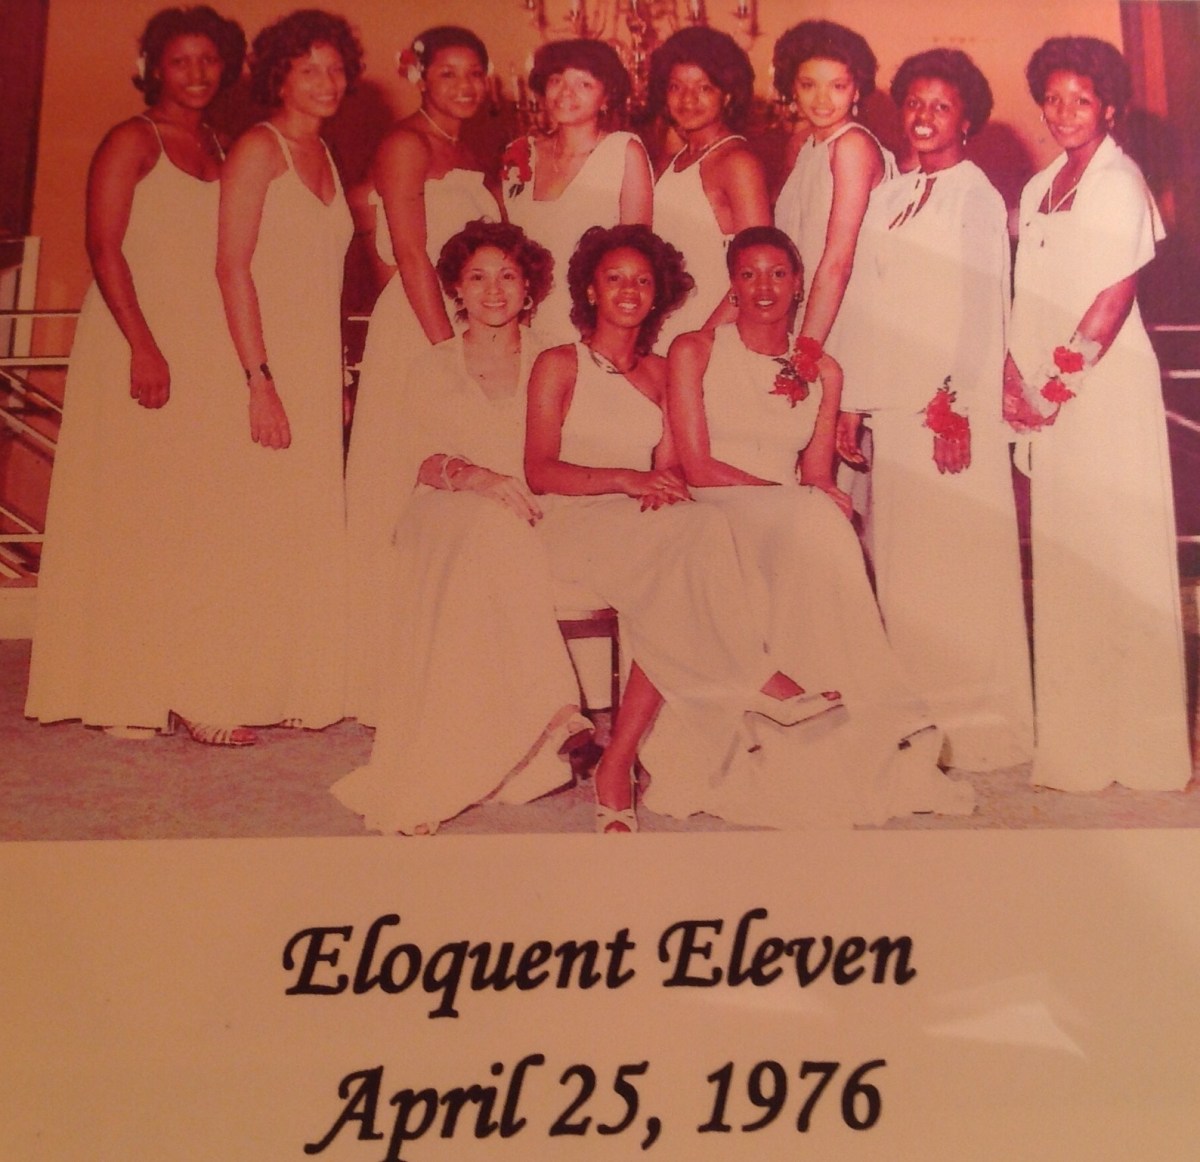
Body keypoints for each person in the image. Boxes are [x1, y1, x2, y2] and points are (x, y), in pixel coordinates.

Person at [525, 224, 862, 833]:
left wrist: (661, 487)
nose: (629, 290)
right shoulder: (558, 363)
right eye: (614, 279)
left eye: (642, 281)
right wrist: (627, 480)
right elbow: (539, 470)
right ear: (591, 291)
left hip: (637, 523)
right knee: (678, 565)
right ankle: (754, 678)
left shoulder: (662, 373)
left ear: (657, 295)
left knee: (696, 534)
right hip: (572, 521)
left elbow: (675, 465)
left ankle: (617, 766)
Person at [659, 225, 976, 826]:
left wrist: (819, 495)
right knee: (814, 518)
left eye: (778, 273)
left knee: (822, 519)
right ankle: (882, 708)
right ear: (732, 284)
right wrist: (804, 499)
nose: (764, 287)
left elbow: (814, 473)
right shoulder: (694, 350)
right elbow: (695, 465)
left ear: (799, 284)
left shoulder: (823, 370)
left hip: (790, 517)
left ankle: (850, 722)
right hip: (713, 508)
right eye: (749, 274)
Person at [26, 6, 253, 743]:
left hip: (204, 342)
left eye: (208, 59)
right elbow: (104, 248)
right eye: (180, 60)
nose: (196, 73)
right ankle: (125, 688)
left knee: (190, 515)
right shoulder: (132, 139)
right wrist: (144, 347)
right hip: (136, 336)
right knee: (133, 512)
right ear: (154, 68)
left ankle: (186, 681)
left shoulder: (223, 144)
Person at [331, 220, 590, 835]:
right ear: (456, 288)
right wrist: (475, 477)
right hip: (444, 506)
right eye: (477, 277)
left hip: (531, 506)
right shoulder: (431, 365)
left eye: (508, 276)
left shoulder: (556, 357)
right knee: (487, 526)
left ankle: (473, 756)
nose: (493, 290)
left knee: (499, 534)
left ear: (529, 288)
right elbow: (416, 460)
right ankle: (555, 705)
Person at [834, 49, 1033, 771]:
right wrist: (851, 402)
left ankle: (976, 731)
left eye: (940, 106)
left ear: (966, 118)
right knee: (906, 570)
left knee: (958, 567)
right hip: (893, 404)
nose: (923, 116)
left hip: (949, 407)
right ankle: (919, 725)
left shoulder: (974, 194)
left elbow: (982, 309)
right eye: (915, 103)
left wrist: (955, 407)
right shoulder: (891, 193)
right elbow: (866, 299)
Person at [1004, 37, 1190, 792]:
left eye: (1081, 99)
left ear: (1109, 107)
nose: (1064, 112)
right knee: (1069, 557)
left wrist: (1052, 388)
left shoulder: (1119, 181)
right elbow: (1026, 295)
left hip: (1102, 389)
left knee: (1119, 557)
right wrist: (1015, 378)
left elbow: (1111, 303)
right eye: (1053, 99)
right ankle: (1079, 749)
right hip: (1049, 391)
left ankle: (1143, 753)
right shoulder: (1038, 186)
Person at [343, 25, 502, 724]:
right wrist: (449, 355)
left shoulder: (468, 151)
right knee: (400, 485)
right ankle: (382, 678)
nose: (463, 87)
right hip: (420, 327)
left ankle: (448, 669)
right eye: (447, 74)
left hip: (462, 325)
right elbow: (410, 255)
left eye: (473, 74)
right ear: (419, 76)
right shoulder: (404, 144)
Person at [215, 9, 361, 731]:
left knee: (300, 529)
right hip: (258, 362)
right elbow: (231, 268)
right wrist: (259, 379)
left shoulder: (326, 154)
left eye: (335, 69)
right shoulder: (258, 148)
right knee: (249, 529)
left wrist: (337, 375)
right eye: (309, 70)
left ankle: (288, 687)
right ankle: (215, 692)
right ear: (279, 76)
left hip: (311, 365)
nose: (327, 82)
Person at [771, 20, 894, 506]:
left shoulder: (852, 146)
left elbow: (838, 260)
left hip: (843, 328)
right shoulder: (805, 146)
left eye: (837, 86)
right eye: (809, 85)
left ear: (857, 89)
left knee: (837, 485)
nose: (822, 99)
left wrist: (805, 353)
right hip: (810, 319)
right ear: (791, 87)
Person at [503, 39, 652, 344]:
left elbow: (635, 256)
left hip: (592, 325)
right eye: (556, 80)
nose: (566, 93)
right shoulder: (519, 153)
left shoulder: (623, 151)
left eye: (583, 83)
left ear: (607, 96)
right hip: (518, 321)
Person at [645, 27, 770, 351]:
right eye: (676, 87)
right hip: (668, 332)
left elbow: (759, 270)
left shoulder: (737, 162)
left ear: (726, 95)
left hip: (714, 335)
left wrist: (702, 342)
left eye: (704, 88)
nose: (687, 100)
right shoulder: (676, 159)